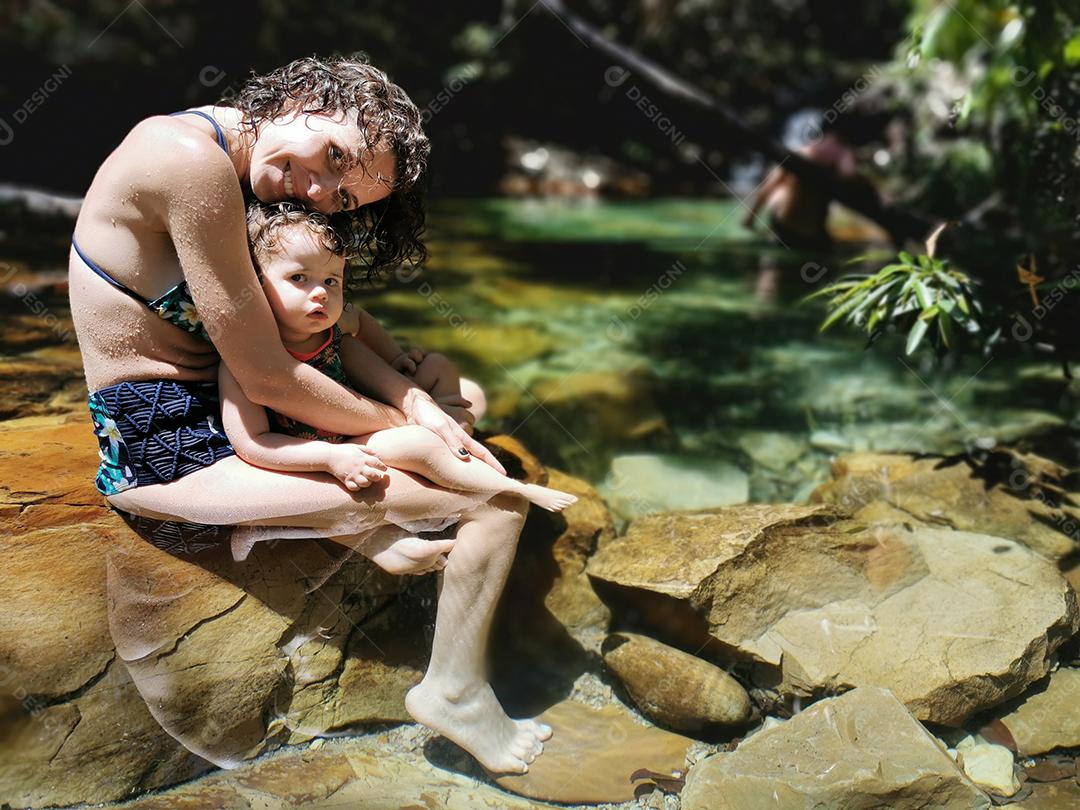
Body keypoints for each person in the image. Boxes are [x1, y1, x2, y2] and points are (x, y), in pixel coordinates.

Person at [69, 55, 549, 774]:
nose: (320, 192)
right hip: (174, 450)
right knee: (497, 504)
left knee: (464, 399)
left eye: (344, 199)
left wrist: (413, 399)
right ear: (303, 94)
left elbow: (304, 328)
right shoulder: (185, 160)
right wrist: (403, 423)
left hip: (239, 416)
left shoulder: (243, 164)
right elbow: (267, 373)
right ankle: (454, 690)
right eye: (332, 155)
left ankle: (345, 526)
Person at [219, 202, 579, 532]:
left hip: (357, 427)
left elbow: (391, 380)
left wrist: (396, 360)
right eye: (299, 278)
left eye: (332, 281)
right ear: (255, 283)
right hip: (336, 447)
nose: (320, 293)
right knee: (419, 443)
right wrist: (329, 457)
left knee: (437, 366)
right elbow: (253, 444)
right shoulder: (244, 360)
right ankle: (509, 486)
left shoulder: (336, 340)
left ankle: (457, 430)